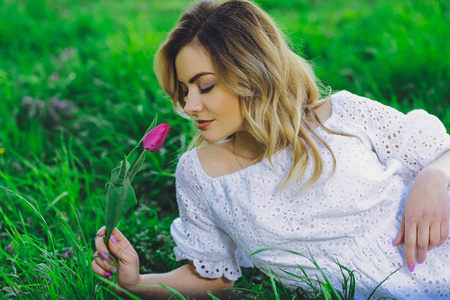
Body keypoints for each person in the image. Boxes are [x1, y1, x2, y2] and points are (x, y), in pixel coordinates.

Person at [92, 0, 450, 299]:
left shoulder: (342, 114)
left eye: (205, 86)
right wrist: (135, 283)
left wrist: (432, 177)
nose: (189, 105)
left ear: (252, 73)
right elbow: (213, 279)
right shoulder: (201, 174)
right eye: (185, 90)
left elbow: (442, 150)